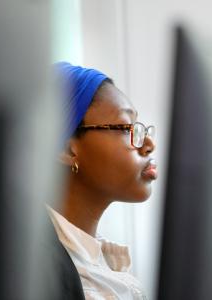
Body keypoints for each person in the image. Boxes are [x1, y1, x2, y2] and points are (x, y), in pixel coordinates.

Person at [48, 62, 157, 300]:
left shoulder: (100, 264)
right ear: (68, 149)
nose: (149, 144)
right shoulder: (45, 276)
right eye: (127, 127)